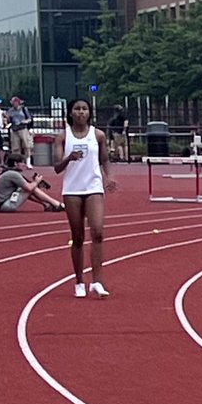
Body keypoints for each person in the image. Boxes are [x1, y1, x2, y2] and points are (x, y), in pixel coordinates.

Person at [53, 97, 117, 298]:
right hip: (72, 189)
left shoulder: (97, 135)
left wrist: (110, 177)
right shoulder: (63, 137)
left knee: (97, 232)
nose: (81, 112)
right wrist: (68, 158)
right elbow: (56, 167)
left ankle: (97, 281)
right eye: (77, 109)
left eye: (84, 109)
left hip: (93, 187)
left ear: (89, 113)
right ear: (71, 113)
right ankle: (79, 281)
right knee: (78, 236)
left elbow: (104, 159)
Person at [0, 154, 65, 213]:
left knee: (27, 188)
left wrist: (34, 184)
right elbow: (29, 188)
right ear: (15, 163)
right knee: (29, 187)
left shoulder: (7, 172)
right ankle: (56, 204)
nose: (24, 164)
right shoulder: (13, 174)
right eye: (22, 162)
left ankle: (47, 205)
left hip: (3, 204)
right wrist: (36, 181)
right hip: (6, 205)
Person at [7, 96, 34, 168]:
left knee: (26, 146)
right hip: (14, 129)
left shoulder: (24, 109)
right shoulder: (10, 111)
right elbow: (8, 120)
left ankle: (28, 162)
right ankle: (17, 162)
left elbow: (29, 119)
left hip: (23, 129)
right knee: (15, 147)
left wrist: (24, 122)